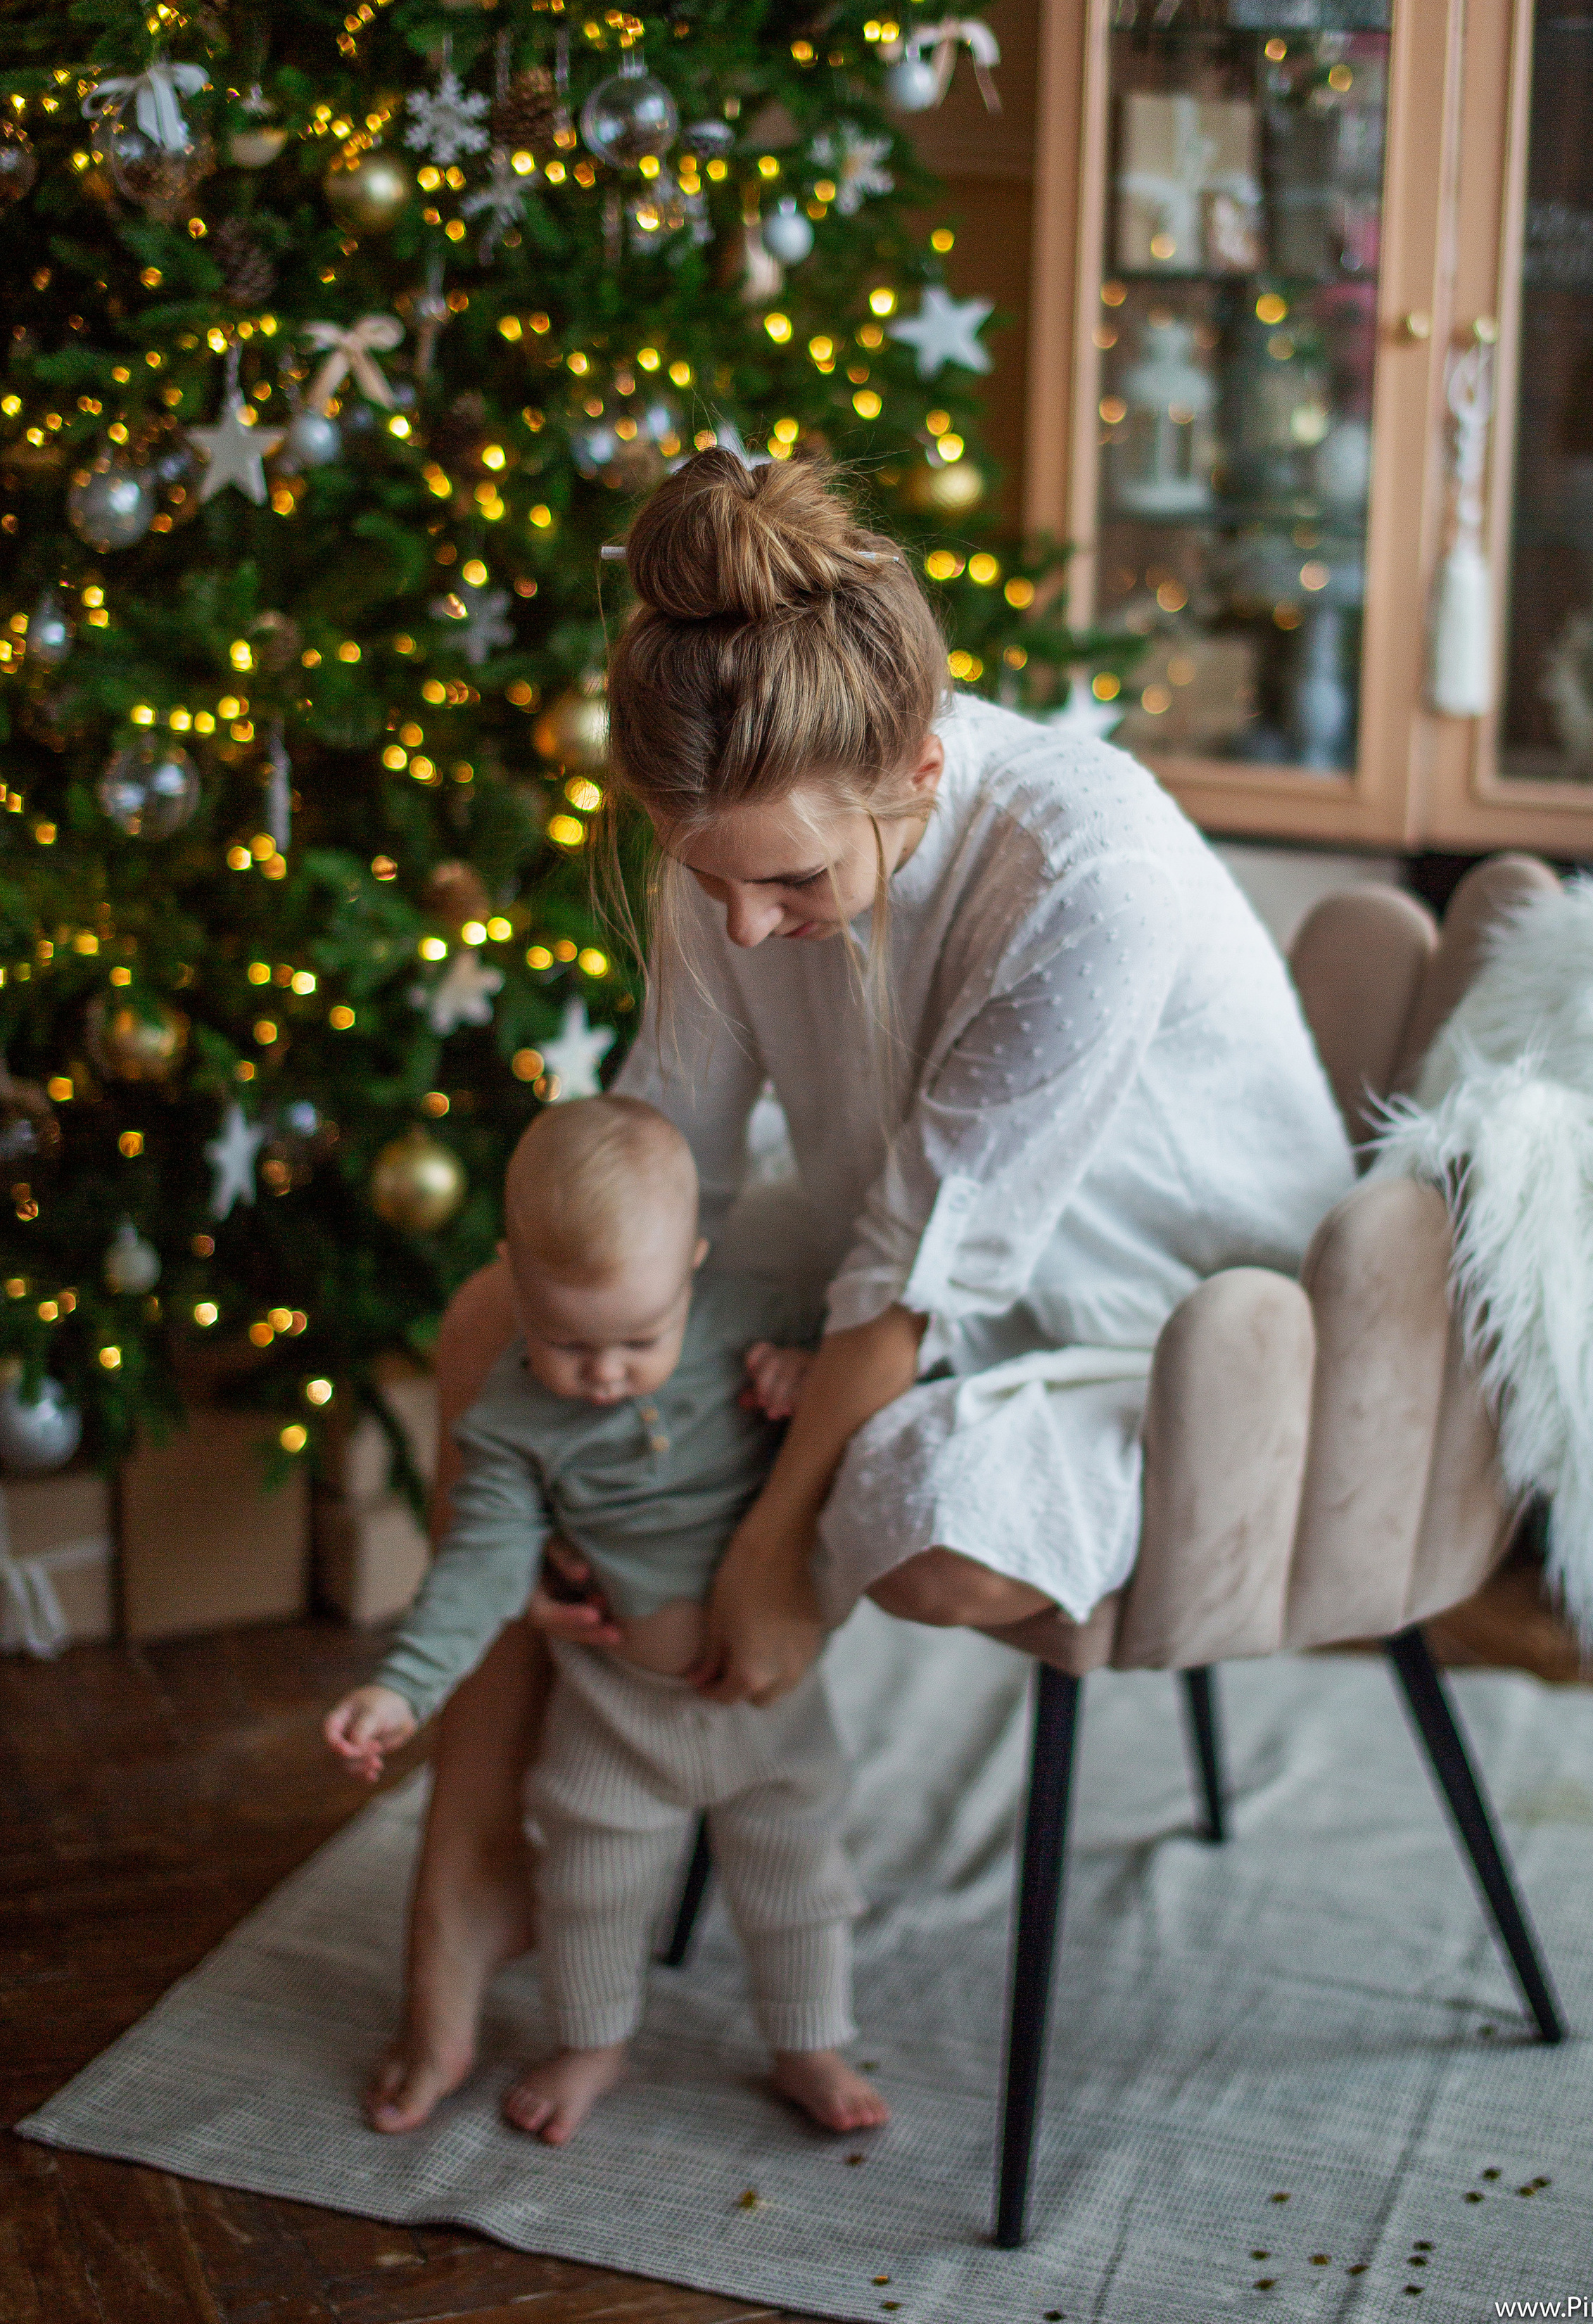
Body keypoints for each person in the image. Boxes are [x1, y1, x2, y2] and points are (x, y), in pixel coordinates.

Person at [365, 447, 1356, 2135]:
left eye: (795, 887)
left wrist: (768, 1568)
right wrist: (612, 1388)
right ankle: (472, 1865)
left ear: (914, 768)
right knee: (494, 1327)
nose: (747, 929)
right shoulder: (733, 854)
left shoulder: (1080, 870)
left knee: (915, 1528)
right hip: (880, 1251)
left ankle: (678, 1781)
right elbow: (664, 1140)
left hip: (1160, 1319)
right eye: (707, 879)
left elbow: (911, 1271)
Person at [326, 1095, 882, 2145]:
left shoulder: (755, 1321)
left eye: (639, 1337)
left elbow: (873, 1381)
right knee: (590, 1886)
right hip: (616, 1710)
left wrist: (805, 1378)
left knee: (801, 1877)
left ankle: (809, 2042)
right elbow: (477, 1566)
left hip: (770, 1702)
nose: (605, 1374)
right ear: (518, 1286)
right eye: (565, 1343)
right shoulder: (512, 1422)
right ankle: (593, 2042)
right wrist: (401, 1686)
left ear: (694, 1269)